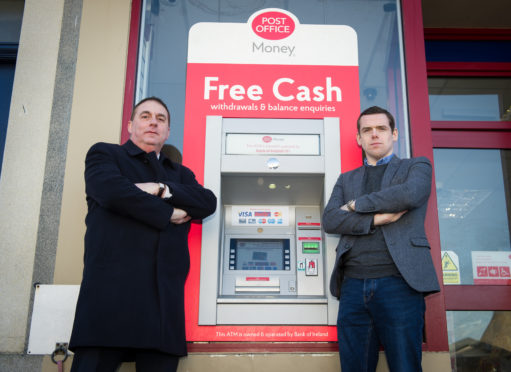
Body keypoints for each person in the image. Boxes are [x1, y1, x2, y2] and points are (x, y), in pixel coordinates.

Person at [69, 97, 217, 372]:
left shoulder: (179, 173)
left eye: (161, 119)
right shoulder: (105, 154)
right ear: (130, 125)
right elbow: (112, 192)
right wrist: (168, 213)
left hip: (162, 301)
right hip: (110, 297)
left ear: (168, 131)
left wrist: (160, 189)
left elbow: (207, 202)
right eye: (145, 116)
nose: (153, 122)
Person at [323, 106, 440, 372]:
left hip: (399, 284)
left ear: (394, 133)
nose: (374, 135)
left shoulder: (416, 166)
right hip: (352, 286)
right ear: (359, 139)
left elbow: (409, 195)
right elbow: (330, 220)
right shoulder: (346, 178)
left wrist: (354, 205)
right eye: (367, 130)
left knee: (405, 366)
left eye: (381, 129)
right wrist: (377, 218)